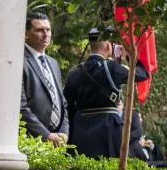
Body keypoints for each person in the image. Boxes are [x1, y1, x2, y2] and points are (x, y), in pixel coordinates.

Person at [64, 27, 150, 159]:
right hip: (108, 130)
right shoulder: (112, 67)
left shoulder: (74, 72)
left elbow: (69, 108)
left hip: (80, 132)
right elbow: (143, 73)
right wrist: (128, 55)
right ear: (107, 45)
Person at [20, 12, 69, 146]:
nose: (46, 34)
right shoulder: (19, 60)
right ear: (26, 33)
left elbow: (62, 103)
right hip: (31, 140)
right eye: (39, 30)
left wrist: (64, 132)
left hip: (57, 139)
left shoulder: (53, 63)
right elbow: (20, 106)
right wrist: (45, 135)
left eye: (48, 30)